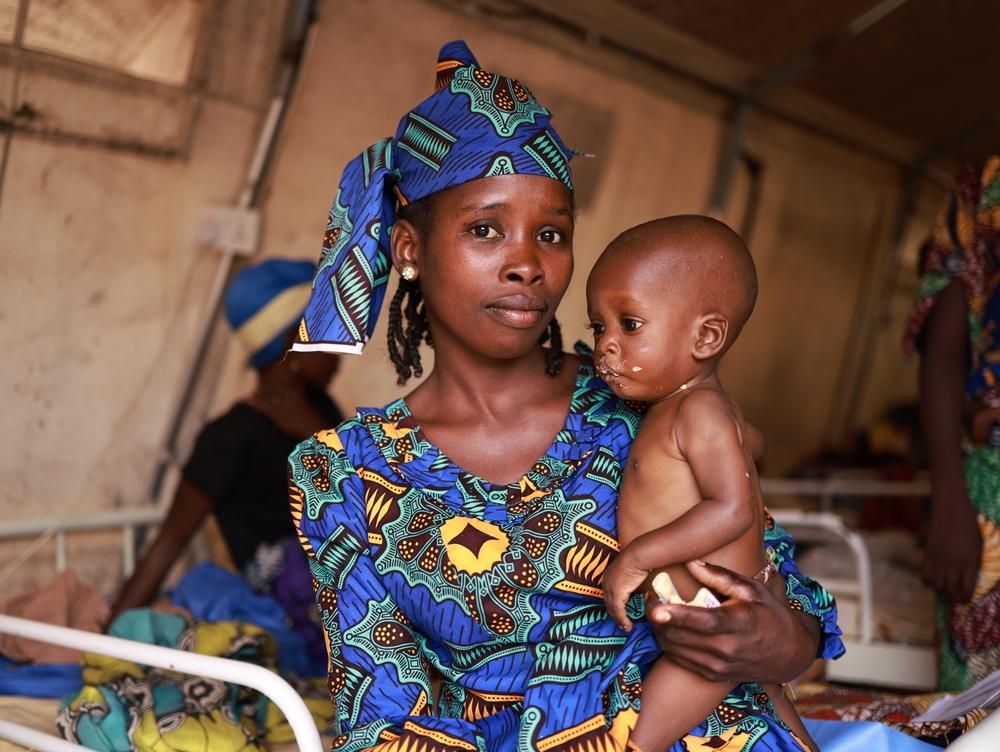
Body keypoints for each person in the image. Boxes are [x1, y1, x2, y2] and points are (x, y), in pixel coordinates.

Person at [288, 40, 842, 751]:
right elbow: (384, 719)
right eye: (485, 229)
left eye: (550, 233)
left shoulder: (649, 402)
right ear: (408, 249)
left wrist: (778, 644)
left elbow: (785, 612)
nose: (526, 264)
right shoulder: (343, 475)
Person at [590, 217, 815, 751]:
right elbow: (752, 445)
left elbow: (733, 509)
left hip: (713, 616)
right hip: (713, 608)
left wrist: (638, 558)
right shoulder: (691, 407)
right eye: (599, 327)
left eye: (630, 324)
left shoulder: (699, 407)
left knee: (636, 741)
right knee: (778, 709)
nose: (606, 346)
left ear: (706, 336)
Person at [111, 259, 343, 643]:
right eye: (328, 331)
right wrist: (105, 640)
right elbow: (168, 543)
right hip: (285, 608)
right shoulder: (230, 436)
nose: (340, 347)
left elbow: (369, 501)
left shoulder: (323, 413)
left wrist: (315, 433)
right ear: (293, 341)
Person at [905, 156, 1000, 691]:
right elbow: (942, 354)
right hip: (992, 493)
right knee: (976, 714)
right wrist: (950, 501)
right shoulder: (985, 187)